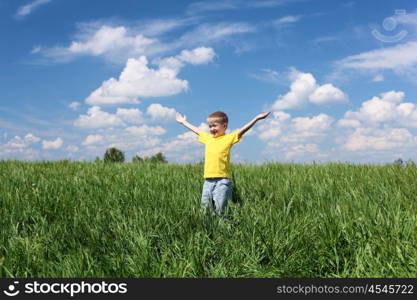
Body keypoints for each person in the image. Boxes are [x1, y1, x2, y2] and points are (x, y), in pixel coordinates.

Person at [176, 110, 270, 215]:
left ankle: (223, 228)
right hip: (207, 181)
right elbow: (196, 130)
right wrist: (183, 122)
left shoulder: (228, 138)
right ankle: (208, 229)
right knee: (205, 209)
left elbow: (242, 130)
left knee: (221, 210)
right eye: (210, 126)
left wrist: (256, 118)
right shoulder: (208, 138)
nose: (211, 129)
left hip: (222, 181)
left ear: (224, 126)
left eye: (214, 126)